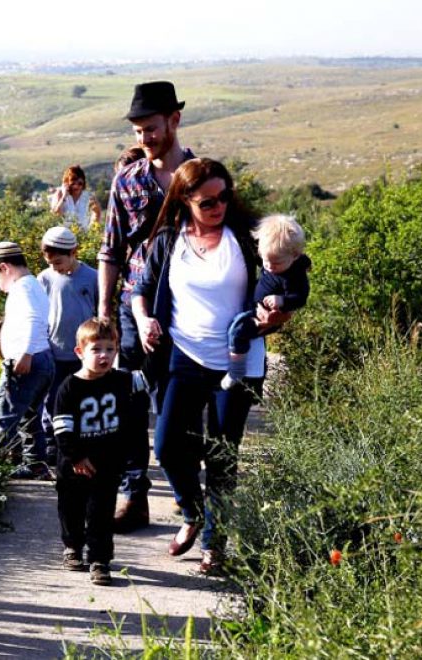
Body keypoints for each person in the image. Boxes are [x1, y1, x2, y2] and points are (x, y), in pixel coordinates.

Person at [131, 158, 290, 575]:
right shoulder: (169, 239)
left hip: (238, 361)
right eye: (207, 202)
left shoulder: (248, 236)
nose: (218, 206)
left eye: (224, 197)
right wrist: (144, 320)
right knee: (167, 446)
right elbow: (141, 290)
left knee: (222, 455)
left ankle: (214, 546)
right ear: (185, 200)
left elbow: (291, 276)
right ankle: (191, 511)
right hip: (182, 357)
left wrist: (280, 312)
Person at [98, 81, 196, 533]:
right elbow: (111, 249)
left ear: (174, 120)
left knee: (180, 402)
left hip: (189, 308)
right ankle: (133, 496)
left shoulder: (200, 177)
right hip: (132, 309)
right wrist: (105, 312)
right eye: (138, 131)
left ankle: (186, 496)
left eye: (151, 128)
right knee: (132, 402)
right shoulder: (127, 181)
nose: (145, 138)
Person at [52, 318, 148, 586]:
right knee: (71, 510)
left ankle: (99, 560)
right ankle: (72, 546)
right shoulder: (69, 387)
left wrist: (153, 342)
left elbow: (146, 383)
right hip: (73, 466)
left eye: (110, 349)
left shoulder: (122, 381)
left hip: (107, 464)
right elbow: (62, 428)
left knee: (101, 514)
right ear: (80, 352)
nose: (104, 356)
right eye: (96, 349)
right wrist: (75, 456)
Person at [0, 241, 56, 481]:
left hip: (27, 362)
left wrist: (25, 354)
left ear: (4, 268)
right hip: (43, 359)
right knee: (30, 416)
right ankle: (36, 465)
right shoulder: (33, 285)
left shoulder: (21, 289)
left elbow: (34, 320)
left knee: (1, 412)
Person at [222, 214, 311, 390]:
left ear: (294, 256)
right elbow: (303, 259)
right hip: (255, 305)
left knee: (237, 330)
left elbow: (300, 298)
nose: (269, 266)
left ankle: (237, 370)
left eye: (275, 263)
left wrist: (282, 301)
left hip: (266, 316)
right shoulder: (280, 257)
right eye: (265, 260)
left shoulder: (295, 275)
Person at [37, 226, 99, 466]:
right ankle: (53, 442)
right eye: (50, 263)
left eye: (59, 262)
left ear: (73, 252)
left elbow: (100, 311)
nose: (55, 267)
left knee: (82, 398)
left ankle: (83, 441)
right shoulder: (45, 278)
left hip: (84, 354)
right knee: (52, 399)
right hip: (55, 351)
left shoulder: (92, 277)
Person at [48, 165, 101, 231]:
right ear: (67, 183)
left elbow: (97, 215)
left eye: (80, 183)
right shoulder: (60, 194)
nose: (76, 186)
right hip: (63, 235)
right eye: (73, 183)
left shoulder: (88, 197)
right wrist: (64, 196)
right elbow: (55, 214)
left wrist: (91, 231)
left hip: (82, 235)